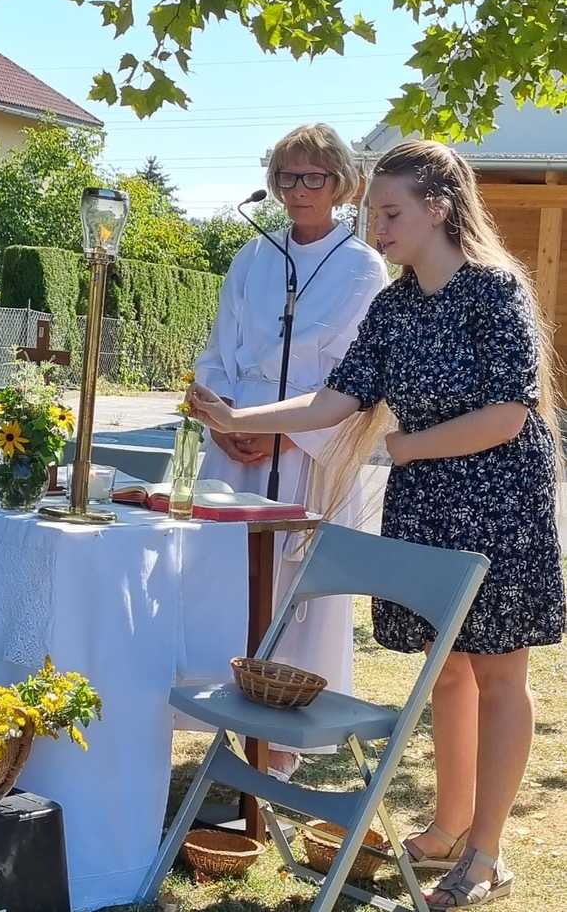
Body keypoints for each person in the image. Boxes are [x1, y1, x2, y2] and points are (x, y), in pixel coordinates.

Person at [187, 139, 565, 909]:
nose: (377, 229)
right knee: (445, 668)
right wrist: (237, 416)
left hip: (501, 501)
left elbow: (507, 414)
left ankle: (487, 853)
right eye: (373, 215)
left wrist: (408, 447)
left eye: (390, 214)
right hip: (427, 501)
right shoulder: (395, 306)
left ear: (438, 208)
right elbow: (336, 399)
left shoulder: (496, 290)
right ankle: (448, 826)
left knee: (499, 676)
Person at [194, 123, 388, 778]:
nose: (299, 190)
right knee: (227, 585)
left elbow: (351, 374)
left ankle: (280, 748)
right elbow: (219, 350)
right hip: (236, 449)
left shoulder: (362, 266)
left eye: (313, 177)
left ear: (342, 184)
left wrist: (279, 429)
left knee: (297, 596)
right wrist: (223, 419)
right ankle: (221, 722)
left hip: (308, 448)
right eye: (287, 176)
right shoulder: (253, 256)